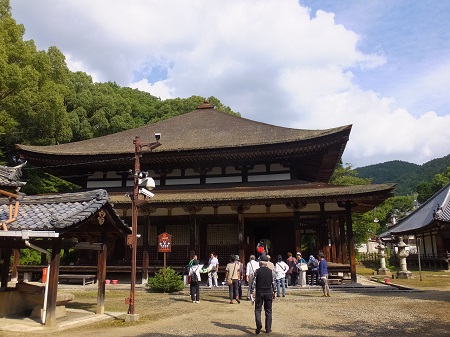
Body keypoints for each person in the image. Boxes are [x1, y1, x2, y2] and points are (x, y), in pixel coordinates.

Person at [249, 253, 277, 334]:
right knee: (268, 311)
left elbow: (253, 283)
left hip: (259, 293)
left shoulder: (257, 271)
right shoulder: (271, 272)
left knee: (258, 310)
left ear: (260, 263)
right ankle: (268, 328)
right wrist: (275, 292)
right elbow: (274, 283)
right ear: (267, 263)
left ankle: (258, 325)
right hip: (268, 293)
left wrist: (251, 293)